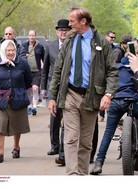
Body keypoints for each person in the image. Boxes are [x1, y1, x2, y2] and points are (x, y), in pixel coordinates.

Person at [48, 7, 119, 175]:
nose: (69, 24)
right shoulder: (69, 41)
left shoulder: (101, 43)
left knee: (86, 142)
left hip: (91, 97)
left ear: (83, 22)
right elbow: (58, 70)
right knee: (71, 138)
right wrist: (52, 97)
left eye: (72, 21)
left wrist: (108, 94)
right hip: (70, 95)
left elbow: (112, 72)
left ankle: (82, 175)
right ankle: (72, 175)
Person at [90, 40, 138, 175]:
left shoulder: (117, 66)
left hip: (116, 101)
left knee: (108, 132)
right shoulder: (136, 67)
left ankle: (99, 163)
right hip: (133, 101)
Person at [0, 40, 32, 163]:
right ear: (3, 51)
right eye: (8, 50)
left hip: (18, 97)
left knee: (17, 125)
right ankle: (0, 153)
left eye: (13, 50)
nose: (10, 52)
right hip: (1, 98)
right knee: (1, 126)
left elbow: (28, 81)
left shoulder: (23, 63)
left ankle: (16, 146)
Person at [41, 19, 71, 155]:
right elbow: (45, 68)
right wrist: (43, 87)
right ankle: (55, 145)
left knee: (68, 116)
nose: (63, 32)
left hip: (69, 85)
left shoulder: (72, 45)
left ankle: (65, 147)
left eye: (65, 30)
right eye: (60, 30)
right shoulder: (50, 46)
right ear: (56, 32)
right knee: (54, 116)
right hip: (53, 85)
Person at [20, 30, 45, 116]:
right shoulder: (24, 46)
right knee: (29, 90)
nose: (31, 37)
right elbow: (21, 57)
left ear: (35, 36)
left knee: (35, 88)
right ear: (28, 36)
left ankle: (34, 107)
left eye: (33, 35)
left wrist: (44, 69)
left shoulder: (40, 47)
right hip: (27, 71)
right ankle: (30, 106)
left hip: (37, 71)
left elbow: (44, 59)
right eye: (30, 35)